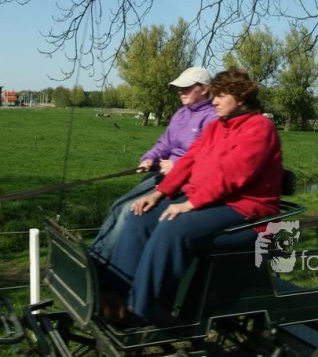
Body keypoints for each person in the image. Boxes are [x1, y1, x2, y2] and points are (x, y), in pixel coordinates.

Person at [101, 69, 284, 325]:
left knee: (173, 226)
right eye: (214, 95)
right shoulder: (217, 127)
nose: (214, 101)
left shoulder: (260, 127)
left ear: (241, 98)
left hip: (246, 208)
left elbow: (232, 175)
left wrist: (189, 204)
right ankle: (115, 297)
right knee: (140, 214)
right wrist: (159, 193)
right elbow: (188, 161)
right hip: (213, 200)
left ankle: (145, 308)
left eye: (221, 96)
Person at [89, 67, 218, 265]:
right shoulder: (181, 114)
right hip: (163, 174)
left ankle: (102, 265)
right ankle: (94, 258)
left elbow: (205, 158)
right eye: (179, 88)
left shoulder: (212, 119)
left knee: (129, 211)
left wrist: (176, 166)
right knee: (118, 205)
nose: (180, 91)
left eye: (187, 87)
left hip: (184, 181)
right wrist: (150, 158)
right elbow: (164, 144)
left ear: (204, 89)